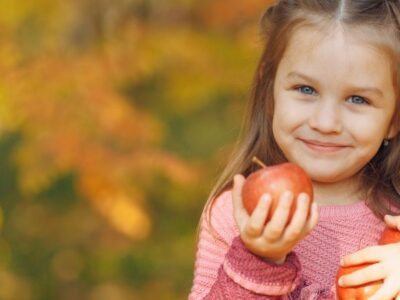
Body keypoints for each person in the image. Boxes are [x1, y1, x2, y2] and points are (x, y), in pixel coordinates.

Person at [189, 0, 400, 299]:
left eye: (357, 99)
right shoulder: (238, 216)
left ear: (394, 118)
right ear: (270, 88)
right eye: (306, 90)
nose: (326, 123)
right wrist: (259, 259)